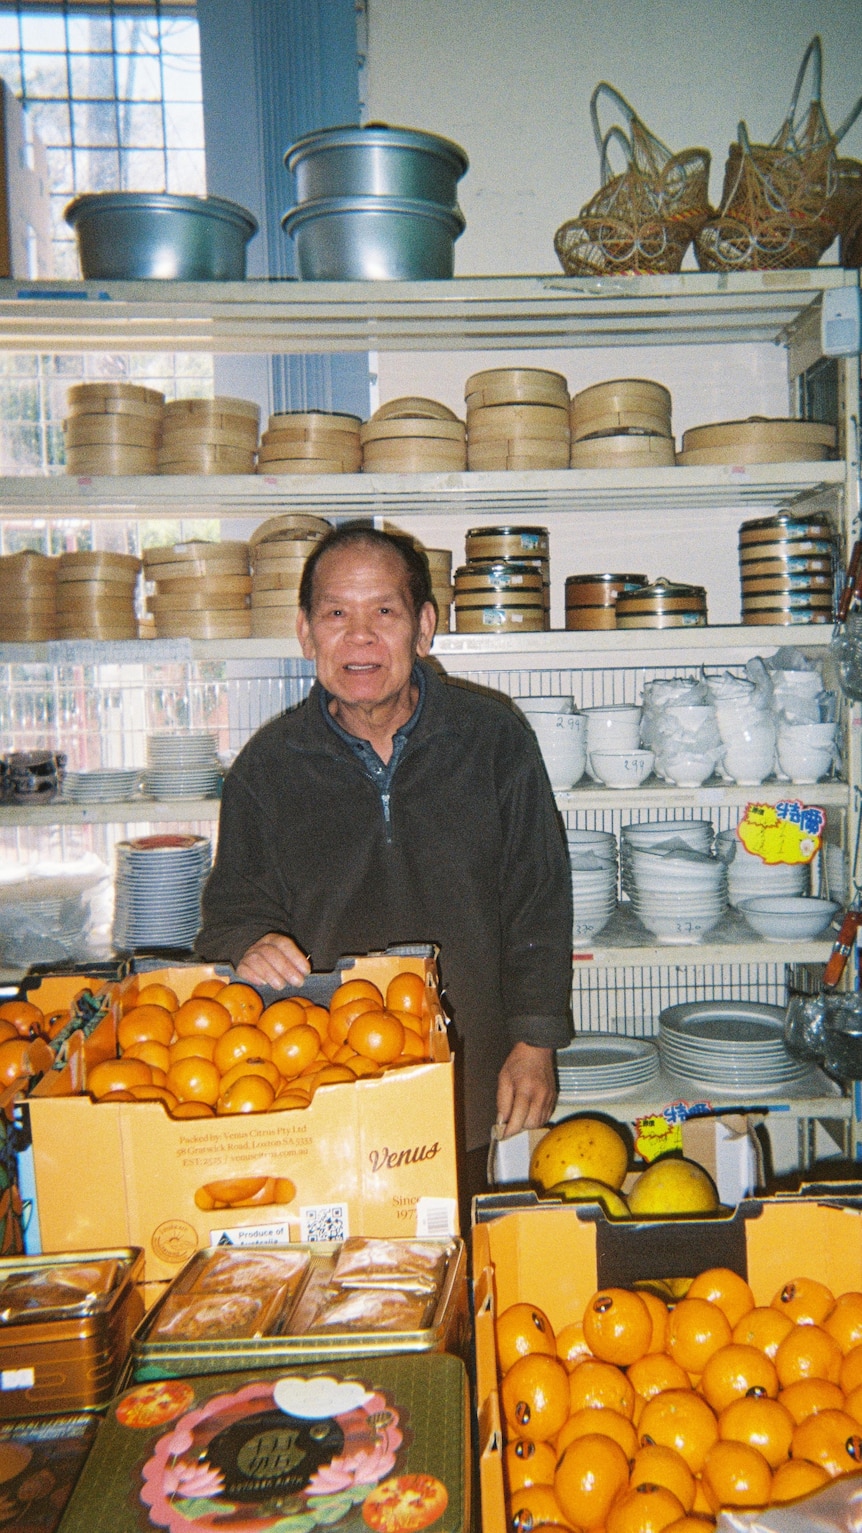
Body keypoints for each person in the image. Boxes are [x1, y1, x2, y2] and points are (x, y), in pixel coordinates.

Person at [195, 524, 573, 1194]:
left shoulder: (494, 740)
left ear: (423, 627)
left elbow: (537, 898)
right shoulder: (266, 767)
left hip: (470, 1082)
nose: (360, 637)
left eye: (385, 612)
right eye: (337, 613)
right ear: (307, 634)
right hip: (325, 1089)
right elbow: (230, 911)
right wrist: (248, 941)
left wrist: (535, 1040)